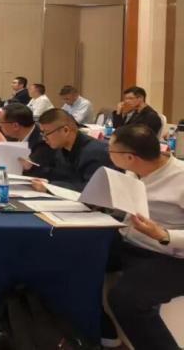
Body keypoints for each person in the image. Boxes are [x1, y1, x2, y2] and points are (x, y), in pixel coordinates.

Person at [99, 124, 184, 350]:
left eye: (110, 150)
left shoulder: (180, 179)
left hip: (170, 255)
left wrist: (163, 234)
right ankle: (102, 330)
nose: (108, 154)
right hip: (129, 240)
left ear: (129, 157)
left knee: (127, 300)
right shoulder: (133, 170)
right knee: (74, 255)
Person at [31, 109, 115, 192]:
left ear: (65, 130)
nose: (44, 138)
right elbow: (60, 176)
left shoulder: (95, 152)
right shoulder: (61, 148)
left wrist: (50, 187)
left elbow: (92, 190)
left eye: (46, 133)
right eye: (42, 133)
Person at [0, 103, 56, 180]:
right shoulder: (12, 135)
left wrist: (29, 167)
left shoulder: (42, 142)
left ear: (15, 126)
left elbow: (38, 174)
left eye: (1, 122)